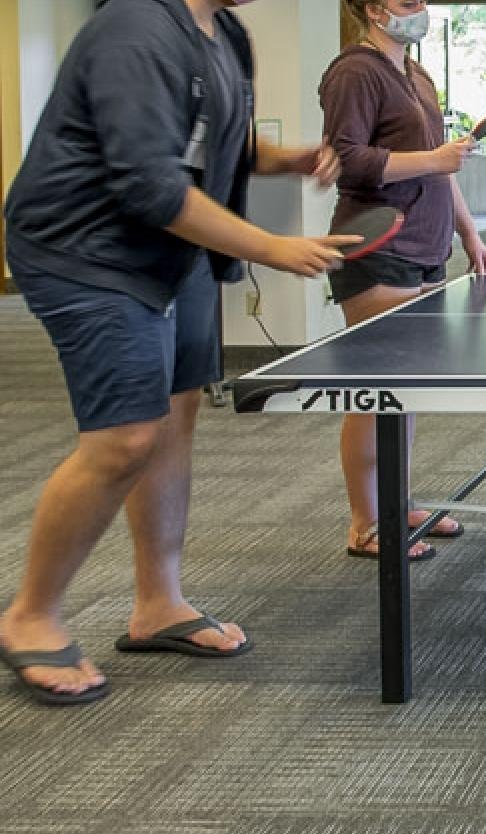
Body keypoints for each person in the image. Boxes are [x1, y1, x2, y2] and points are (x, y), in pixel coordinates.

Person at [0, 0, 356, 705]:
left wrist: (286, 158)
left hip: (171, 250)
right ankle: (29, 615)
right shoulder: (133, 28)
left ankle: (157, 603)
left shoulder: (224, 34)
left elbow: (214, 139)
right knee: (125, 438)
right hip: (86, 251)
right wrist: (273, 250)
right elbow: (150, 182)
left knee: (174, 413)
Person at [323, 0, 486, 565]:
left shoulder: (414, 71)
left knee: (406, 389)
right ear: (373, 9)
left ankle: (396, 502)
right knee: (376, 392)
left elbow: (444, 167)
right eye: (406, 2)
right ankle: (366, 521)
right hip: (377, 247)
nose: (418, 9)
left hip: (426, 246)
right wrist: (433, 161)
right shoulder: (354, 71)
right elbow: (348, 160)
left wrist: (469, 235)